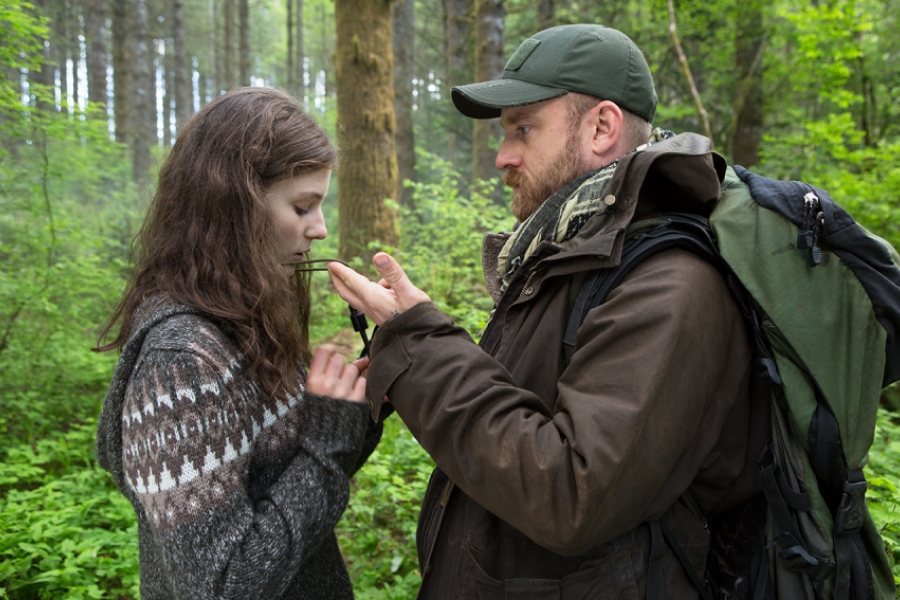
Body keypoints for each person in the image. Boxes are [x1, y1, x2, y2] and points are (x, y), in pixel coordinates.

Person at [328, 24, 753, 599]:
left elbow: (572, 495)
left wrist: (419, 346)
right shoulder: (572, 258)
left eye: (523, 129)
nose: (503, 157)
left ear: (602, 126)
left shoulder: (671, 283)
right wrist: (420, 334)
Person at [95, 87, 381, 600]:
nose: (319, 229)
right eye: (303, 206)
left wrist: (369, 399)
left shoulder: (245, 316)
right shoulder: (180, 362)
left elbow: (289, 476)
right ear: (235, 206)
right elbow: (222, 586)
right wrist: (326, 441)